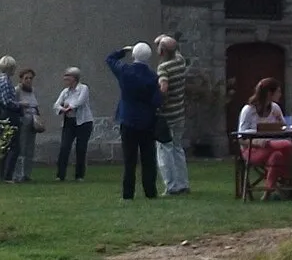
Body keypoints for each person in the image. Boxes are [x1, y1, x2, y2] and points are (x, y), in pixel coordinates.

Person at [106, 42, 161, 200]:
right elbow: (157, 101)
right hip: (147, 120)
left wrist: (122, 51)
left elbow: (109, 59)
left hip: (128, 119)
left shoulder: (125, 71)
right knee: (148, 159)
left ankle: (128, 193)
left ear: (134, 55)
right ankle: (150, 191)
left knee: (129, 160)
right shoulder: (152, 77)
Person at [236, 77, 292, 199]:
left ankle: (268, 191)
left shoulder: (275, 108)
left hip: (272, 146)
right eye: (278, 91)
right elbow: (240, 137)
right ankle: (287, 177)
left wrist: (280, 122)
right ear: (269, 93)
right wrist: (257, 142)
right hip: (252, 149)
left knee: (277, 156)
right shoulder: (248, 110)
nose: (280, 94)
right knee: (287, 145)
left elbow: (284, 129)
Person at [152, 35, 191, 196]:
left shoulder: (164, 68)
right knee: (177, 148)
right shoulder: (180, 61)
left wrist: (158, 102)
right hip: (179, 112)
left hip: (167, 114)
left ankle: (171, 186)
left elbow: (164, 88)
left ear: (162, 51)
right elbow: (171, 46)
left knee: (164, 149)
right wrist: (162, 40)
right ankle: (183, 183)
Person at [53, 67, 93, 180]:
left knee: (81, 148)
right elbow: (56, 104)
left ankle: (79, 175)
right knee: (64, 147)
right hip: (69, 122)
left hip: (83, 122)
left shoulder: (83, 88)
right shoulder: (65, 92)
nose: (65, 80)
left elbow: (80, 102)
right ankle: (60, 175)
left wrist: (69, 106)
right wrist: (62, 108)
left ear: (74, 79)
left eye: (67, 78)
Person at [0, 55, 23, 182]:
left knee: (4, 145)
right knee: (14, 146)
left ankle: (3, 175)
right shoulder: (5, 81)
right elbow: (7, 102)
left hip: (2, 114)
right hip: (9, 114)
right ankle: (7, 175)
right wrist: (20, 104)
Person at [12, 68, 43, 181]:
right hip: (22, 121)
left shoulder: (32, 91)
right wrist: (21, 104)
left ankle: (27, 174)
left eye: (30, 78)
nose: (28, 80)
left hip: (32, 121)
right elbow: (12, 104)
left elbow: (35, 105)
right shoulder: (17, 91)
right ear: (21, 79)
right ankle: (18, 175)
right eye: (26, 78)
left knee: (30, 149)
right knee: (22, 148)